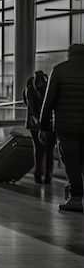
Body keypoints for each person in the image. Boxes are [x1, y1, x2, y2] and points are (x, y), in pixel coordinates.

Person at [40, 44, 84, 212]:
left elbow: (48, 101)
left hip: (66, 127)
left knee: (71, 163)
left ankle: (75, 199)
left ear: (69, 54)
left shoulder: (59, 70)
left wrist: (44, 127)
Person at [24, 71, 55, 185]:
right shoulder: (49, 89)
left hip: (35, 125)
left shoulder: (29, 90)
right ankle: (48, 176)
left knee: (38, 151)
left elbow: (29, 106)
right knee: (49, 151)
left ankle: (38, 175)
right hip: (49, 124)